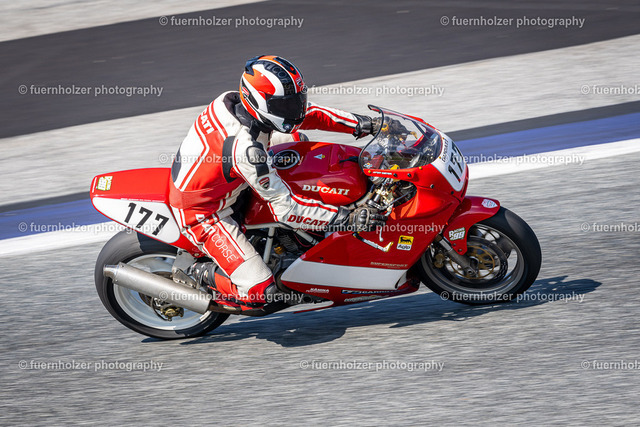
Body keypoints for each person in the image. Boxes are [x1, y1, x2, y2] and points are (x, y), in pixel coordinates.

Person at [168, 55, 385, 312]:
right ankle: (197, 272)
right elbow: (287, 209)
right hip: (206, 211)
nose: (295, 109)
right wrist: (346, 218)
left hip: (224, 175)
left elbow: (308, 114)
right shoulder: (247, 150)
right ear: (259, 101)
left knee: (299, 141)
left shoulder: (236, 100)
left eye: (297, 99)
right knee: (261, 293)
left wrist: (364, 124)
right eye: (285, 104)